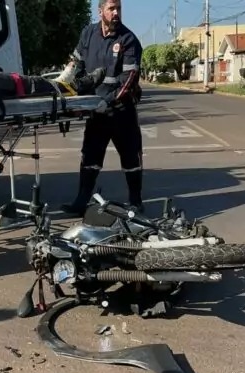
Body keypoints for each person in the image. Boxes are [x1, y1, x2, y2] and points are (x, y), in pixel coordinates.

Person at [60, 0, 144, 216]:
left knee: (130, 157)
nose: (116, 13)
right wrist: (63, 80)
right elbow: (75, 61)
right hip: (95, 112)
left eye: (119, 8)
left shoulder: (128, 40)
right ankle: (81, 201)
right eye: (111, 9)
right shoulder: (88, 33)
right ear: (100, 12)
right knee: (90, 156)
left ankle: (135, 201)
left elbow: (129, 80)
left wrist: (108, 102)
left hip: (121, 112)